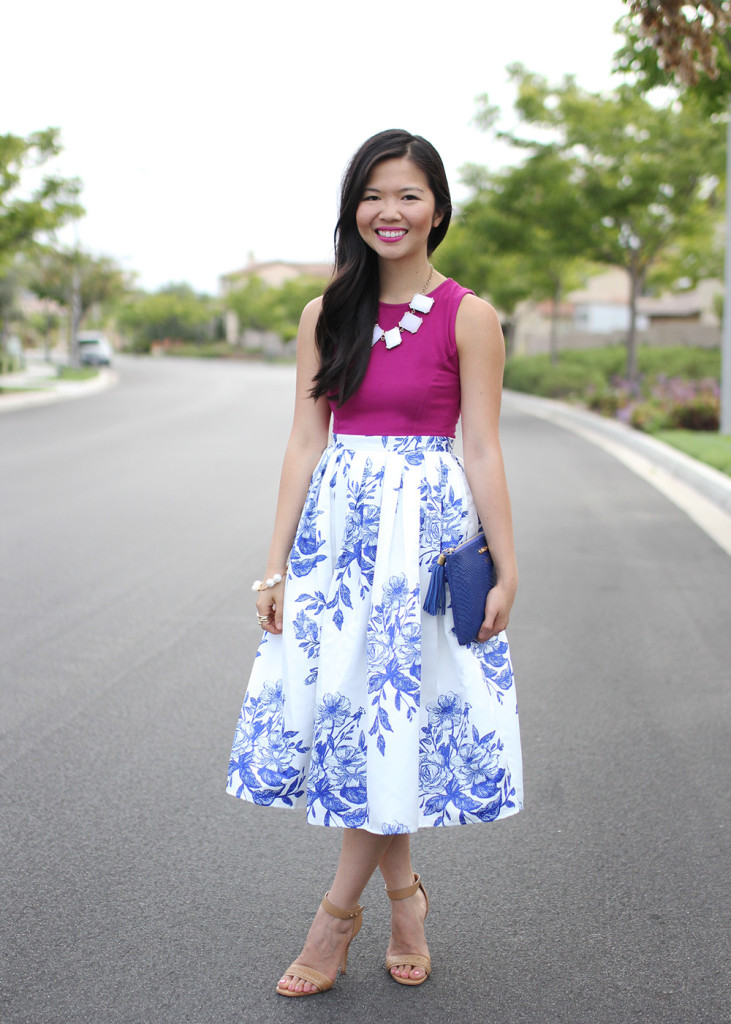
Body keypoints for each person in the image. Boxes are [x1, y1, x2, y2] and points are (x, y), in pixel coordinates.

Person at [226, 129, 523, 996]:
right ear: (352, 209)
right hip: (341, 545)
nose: (388, 212)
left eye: (407, 195)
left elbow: (483, 450)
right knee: (358, 720)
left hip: (426, 545)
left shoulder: (470, 316)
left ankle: (333, 920)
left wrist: (505, 566)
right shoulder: (327, 313)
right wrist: (274, 567)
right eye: (372, 195)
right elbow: (303, 440)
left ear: (438, 210)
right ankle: (406, 897)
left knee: (391, 722)